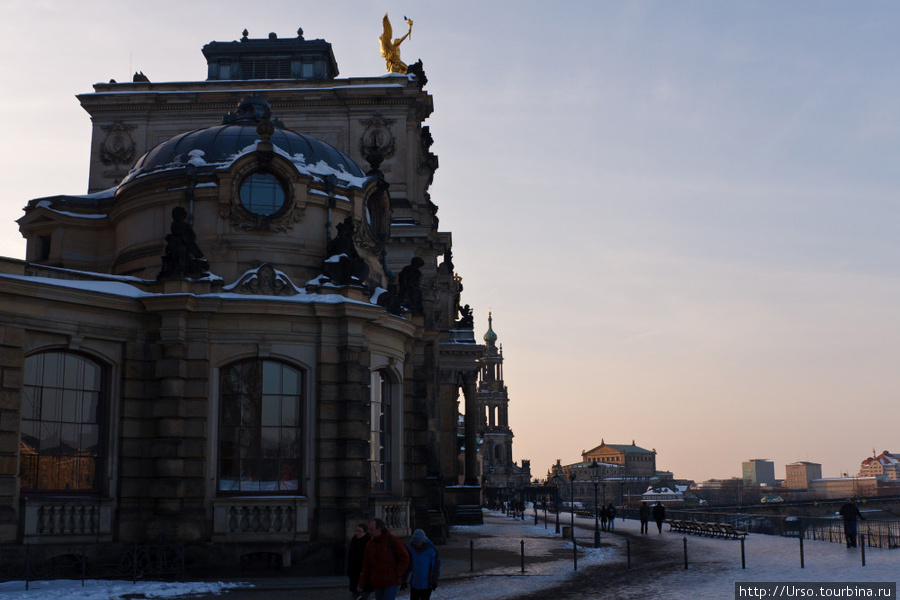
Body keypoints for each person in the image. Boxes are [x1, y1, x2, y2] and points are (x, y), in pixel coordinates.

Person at [357, 518, 410, 600]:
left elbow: (405, 558)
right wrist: (362, 583)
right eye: (369, 530)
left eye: (372, 530)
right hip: (378, 581)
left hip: (391, 580)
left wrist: (396, 573)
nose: (370, 532)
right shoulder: (370, 544)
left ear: (379, 529)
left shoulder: (393, 541)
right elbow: (366, 565)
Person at [402, 529, 440, 600]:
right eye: (415, 542)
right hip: (414, 584)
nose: (417, 544)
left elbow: (435, 567)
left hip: (426, 585)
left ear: (423, 541)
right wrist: (404, 580)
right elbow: (407, 566)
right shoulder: (411, 550)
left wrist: (434, 581)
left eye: (418, 542)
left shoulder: (431, 550)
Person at [347, 523, 371, 600]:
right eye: (356, 531)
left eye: (360, 531)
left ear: (365, 532)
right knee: (354, 594)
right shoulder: (354, 541)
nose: (357, 533)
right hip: (354, 573)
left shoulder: (368, 543)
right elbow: (351, 557)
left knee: (363, 595)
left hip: (364, 574)